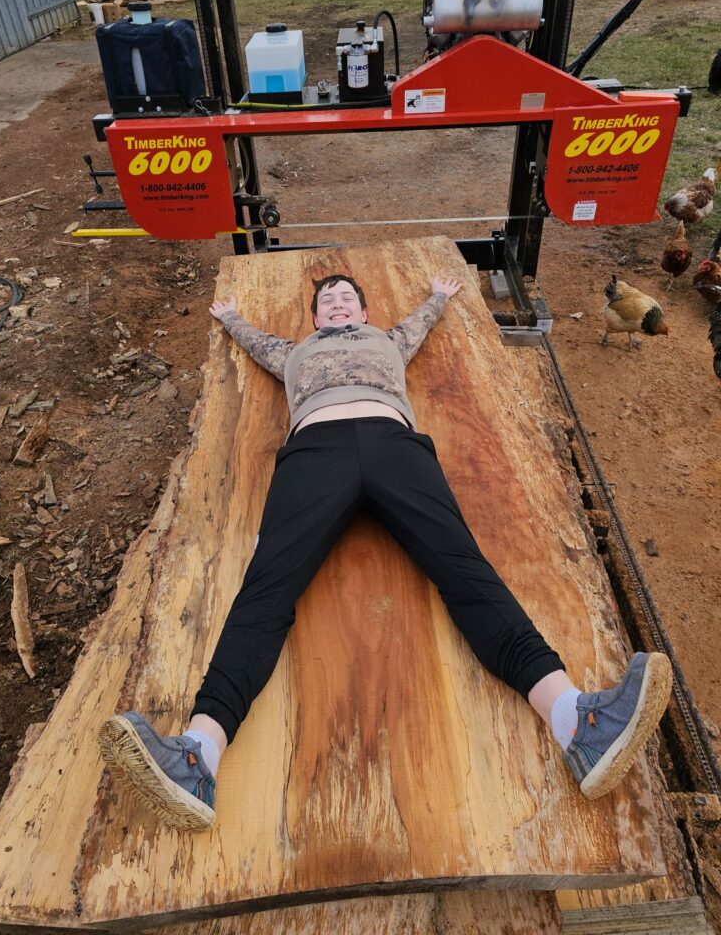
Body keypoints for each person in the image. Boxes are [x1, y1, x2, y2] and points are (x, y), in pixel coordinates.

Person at [99, 274, 672, 831]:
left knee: (465, 569)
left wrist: (438, 296)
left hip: (393, 444)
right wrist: (230, 318)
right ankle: (197, 755)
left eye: (347, 298)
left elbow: (419, 323)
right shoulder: (293, 353)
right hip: (315, 451)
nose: (338, 304)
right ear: (315, 318)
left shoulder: (387, 340)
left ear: (364, 312)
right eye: (328, 300)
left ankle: (577, 723)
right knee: (267, 586)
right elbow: (255, 341)